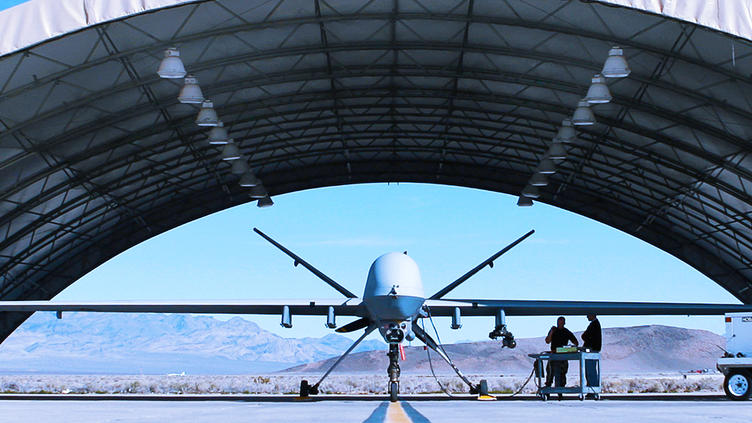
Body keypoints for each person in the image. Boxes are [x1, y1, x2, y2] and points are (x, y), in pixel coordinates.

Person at [544, 316, 578, 388]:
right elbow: (547, 341)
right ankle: (548, 389)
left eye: (561, 323)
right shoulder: (554, 330)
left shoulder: (567, 332)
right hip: (553, 354)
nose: (559, 324)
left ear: (564, 323)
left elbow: (576, 342)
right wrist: (551, 332)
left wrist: (569, 347)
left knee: (562, 374)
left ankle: (561, 391)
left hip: (563, 356)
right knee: (550, 373)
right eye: (558, 323)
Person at [581, 314, 602, 393]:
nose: (587, 317)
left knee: (591, 371)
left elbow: (585, 336)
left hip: (592, 350)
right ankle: (592, 389)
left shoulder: (594, 325)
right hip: (592, 350)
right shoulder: (594, 324)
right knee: (590, 371)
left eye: (588, 315)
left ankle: (593, 390)